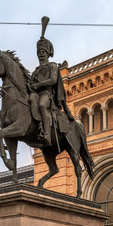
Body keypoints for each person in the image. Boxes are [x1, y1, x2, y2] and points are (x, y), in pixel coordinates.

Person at [29, 16, 73, 146]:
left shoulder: (53, 66)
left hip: (47, 95)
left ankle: (47, 133)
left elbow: (53, 80)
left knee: (42, 105)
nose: (41, 54)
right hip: (36, 94)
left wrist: (38, 85)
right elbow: (31, 83)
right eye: (39, 52)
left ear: (48, 53)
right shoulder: (36, 71)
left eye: (43, 51)